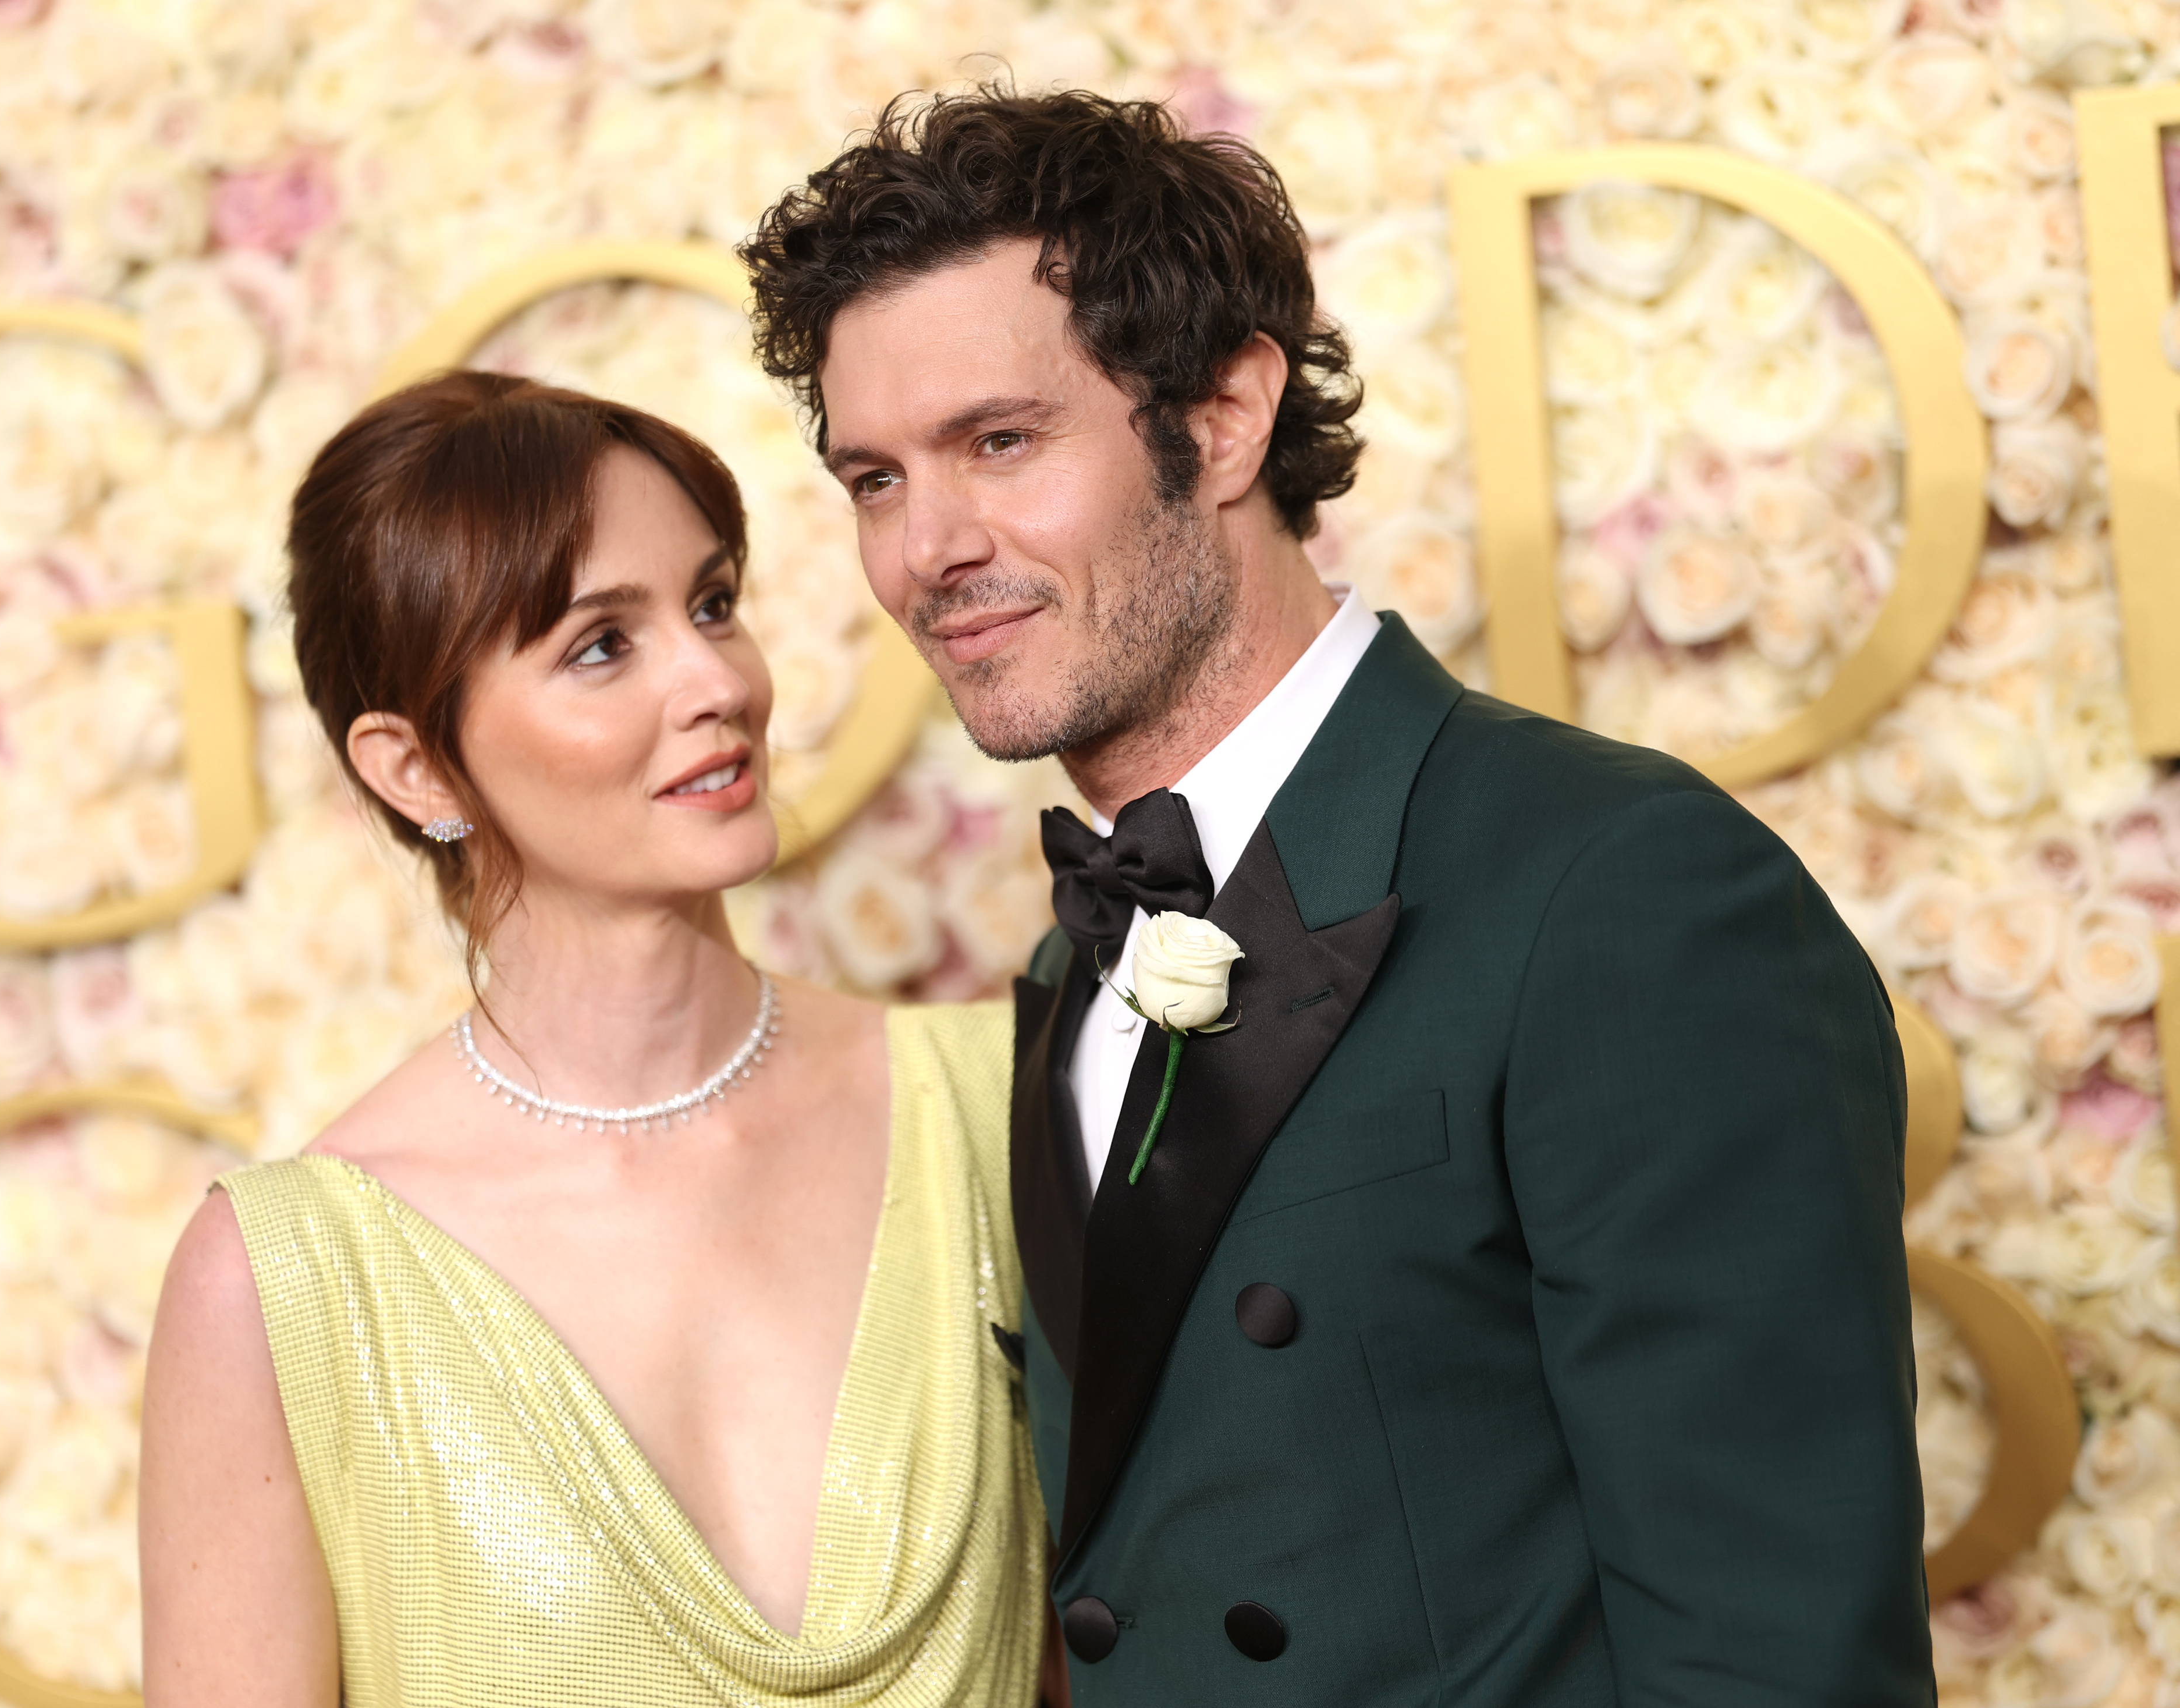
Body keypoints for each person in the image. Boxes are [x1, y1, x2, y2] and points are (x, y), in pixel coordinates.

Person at [740, 89, 1934, 1705]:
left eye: (999, 443)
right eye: (875, 479)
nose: (926, 550)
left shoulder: (1623, 890)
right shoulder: (1069, 954)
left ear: (1226, 417)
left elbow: (1779, 1660)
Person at [137, 372, 1048, 1708]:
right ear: (415, 769)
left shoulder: (994, 1102)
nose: (716, 682)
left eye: (714, 603)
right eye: (600, 645)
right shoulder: (281, 1289)